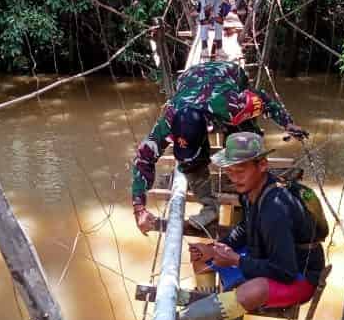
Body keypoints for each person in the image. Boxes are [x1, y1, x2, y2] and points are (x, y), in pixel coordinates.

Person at [158, 132, 326, 320]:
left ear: (262, 165)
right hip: (266, 256)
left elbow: (285, 271)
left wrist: (236, 260)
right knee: (202, 255)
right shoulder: (250, 192)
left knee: (252, 291)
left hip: (299, 277)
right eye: (230, 171)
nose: (235, 178)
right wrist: (218, 247)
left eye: (241, 170)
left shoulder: (275, 209)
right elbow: (246, 228)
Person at [132, 61, 308, 234]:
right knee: (190, 162)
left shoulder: (233, 106)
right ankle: (210, 206)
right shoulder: (170, 117)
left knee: (241, 143)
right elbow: (143, 158)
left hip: (230, 75)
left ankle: (252, 199)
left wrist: (288, 124)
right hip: (190, 77)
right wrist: (139, 208)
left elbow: (262, 99)